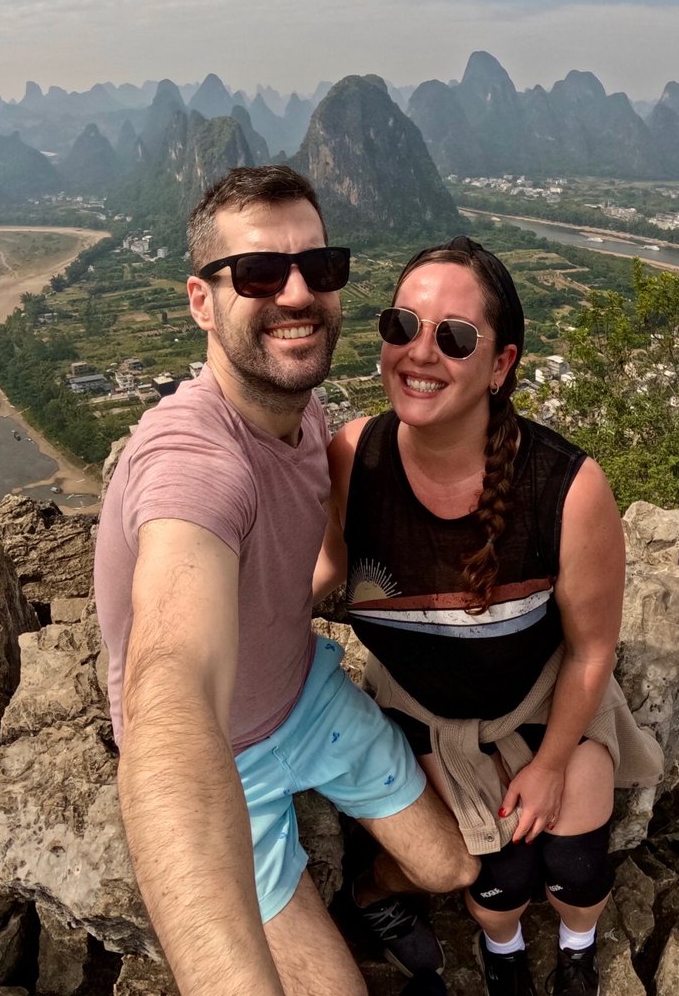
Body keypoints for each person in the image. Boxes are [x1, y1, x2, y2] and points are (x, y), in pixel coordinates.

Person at [94, 166, 478, 996]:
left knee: (452, 867)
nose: (298, 293)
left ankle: (366, 894)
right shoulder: (191, 461)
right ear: (203, 300)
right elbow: (172, 684)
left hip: (303, 691)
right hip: (224, 755)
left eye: (321, 268)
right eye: (261, 273)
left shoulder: (305, 413)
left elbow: (316, 562)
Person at [317, 237, 663, 996]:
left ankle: (578, 953)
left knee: (573, 865)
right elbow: (317, 572)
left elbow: (589, 650)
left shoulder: (565, 489)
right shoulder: (356, 460)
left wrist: (547, 767)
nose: (420, 353)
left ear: (500, 365)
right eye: (402, 325)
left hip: (544, 696)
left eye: (454, 337)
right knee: (501, 876)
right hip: (424, 707)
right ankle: (503, 959)